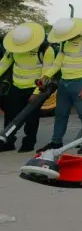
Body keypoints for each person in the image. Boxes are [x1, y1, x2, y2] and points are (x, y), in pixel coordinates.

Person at [40, 18, 82, 154]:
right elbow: (57, 63)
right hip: (64, 83)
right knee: (60, 114)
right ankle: (56, 142)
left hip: (80, 82)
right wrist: (46, 76)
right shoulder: (64, 42)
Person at [0, 23, 54, 153]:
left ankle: (28, 143)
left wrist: (36, 93)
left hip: (35, 89)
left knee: (31, 117)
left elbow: (46, 73)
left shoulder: (45, 49)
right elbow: (4, 63)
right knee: (10, 115)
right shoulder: (13, 48)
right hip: (16, 86)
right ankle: (8, 141)